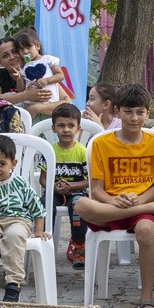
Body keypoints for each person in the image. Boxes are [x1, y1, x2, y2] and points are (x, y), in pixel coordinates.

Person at [74, 86, 154, 308]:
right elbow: (97, 189)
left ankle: (147, 297)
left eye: (140, 112)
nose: (134, 118)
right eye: (128, 112)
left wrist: (141, 200)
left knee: (145, 229)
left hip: (144, 204)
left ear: (148, 113)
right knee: (79, 204)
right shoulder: (101, 143)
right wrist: (114, 200)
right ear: (117, 112)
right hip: (112, 207)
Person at [0, 134, 45, 304]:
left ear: (13, 163)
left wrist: (39, 230)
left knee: (14, 235)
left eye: (2, 164)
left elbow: (37, 209)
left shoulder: (20, 183)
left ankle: (13, 283)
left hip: (18, 220)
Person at [48, 103, 90, 264]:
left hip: (77, 192)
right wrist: (54, 187)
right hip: (55, 192)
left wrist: (72, 186)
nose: (66, 130)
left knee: (78, 208)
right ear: (53, 128)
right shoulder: (50, 150)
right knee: (45, 207)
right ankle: (46, 242)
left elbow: (88, 181)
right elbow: (44, 178)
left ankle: (79, 245)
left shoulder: (82, 152)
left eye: (71, 125)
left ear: (78, 129)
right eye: (61, 125)